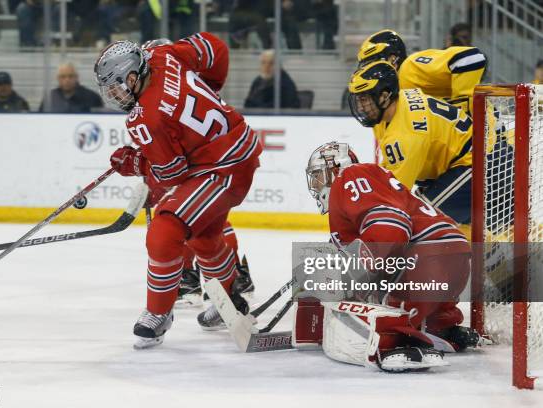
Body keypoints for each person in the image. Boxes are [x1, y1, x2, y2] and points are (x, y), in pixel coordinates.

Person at [94, 32, 262, 348]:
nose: (115, 94)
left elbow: (172, 174)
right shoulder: (161, 54)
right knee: (203, 235)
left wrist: (136, 163)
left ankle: (159, 313)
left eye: (118, 84)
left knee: (165, 230)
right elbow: (216, 48)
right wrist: (210, 91)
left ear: (133, 75)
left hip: (221, 169)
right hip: (234, 152)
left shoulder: (146, 118)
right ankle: (229, 299)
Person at [295, 141, 477, 372]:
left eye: (318, 175)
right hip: (452, 257)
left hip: (425, 259)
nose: (316, 184)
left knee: (379, 301)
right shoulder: (362, 187)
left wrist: (353, 269)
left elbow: (391, 227)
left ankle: (399, 341)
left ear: (335, 168)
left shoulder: (350, 176)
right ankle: (440, 326)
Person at [139, 39, 255, 308]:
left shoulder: (162, 101)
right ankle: (224, 278)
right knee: (202, 223)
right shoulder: (185, 83)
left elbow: (172, 169)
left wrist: (144, 166)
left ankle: (200, 277)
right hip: (225, 159)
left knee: (188, 220)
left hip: (217, 164)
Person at [348, 61, 473, 224]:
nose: (361, 106)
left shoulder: (405, 135)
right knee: (423, 207)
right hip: (471, 160)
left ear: (385, 96)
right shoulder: (399, 106)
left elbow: (395, 194)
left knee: (421, 217)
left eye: (365, 99)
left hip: (481, 164)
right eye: (358, 99)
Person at [357, 29, 486, 115]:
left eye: (371, 62)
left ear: (392, 59)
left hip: (488, 139)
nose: (369, 70)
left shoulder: (410, 67)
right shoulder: (391, 93)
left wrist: (463, 110)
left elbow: (469, 58)